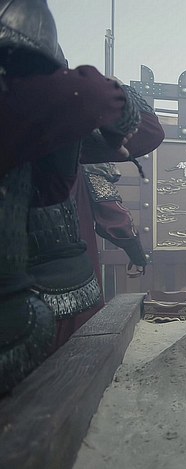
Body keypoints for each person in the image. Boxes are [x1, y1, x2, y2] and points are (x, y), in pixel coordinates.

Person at [1, 0, 161, 394]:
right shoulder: (40, 109)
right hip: (44, 294)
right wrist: (117, 96)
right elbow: (112, 209)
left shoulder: (52, 120)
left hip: (50, 289)